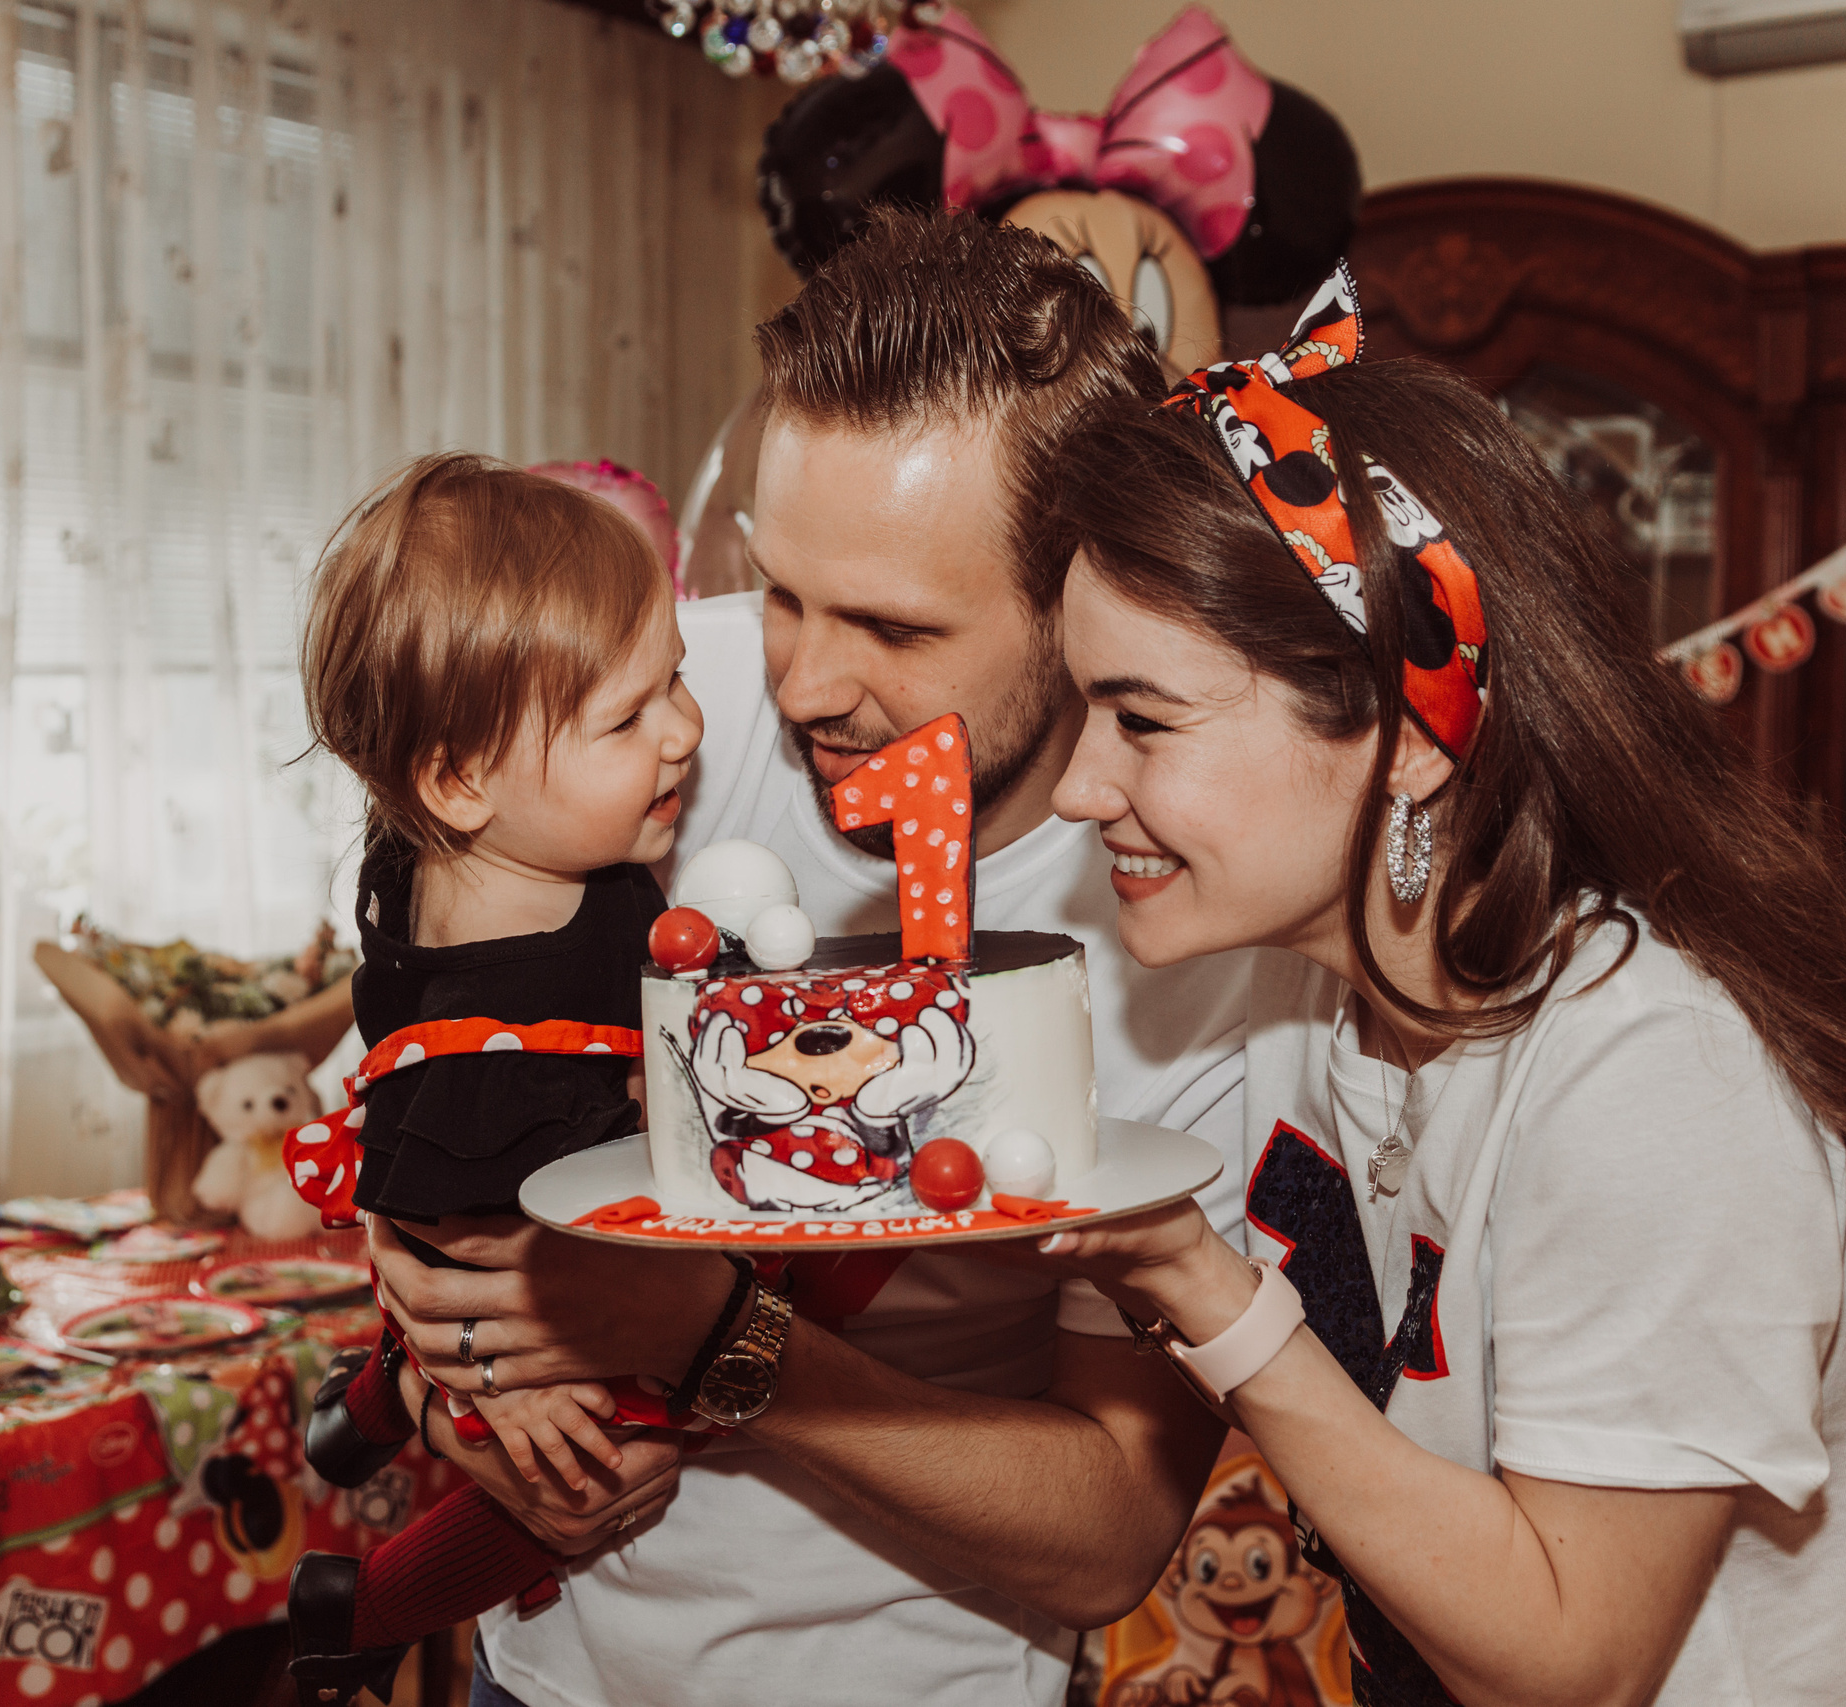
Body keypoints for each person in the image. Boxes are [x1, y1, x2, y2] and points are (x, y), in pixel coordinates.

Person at [1021, 324, 1846, 1705]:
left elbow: (1569, 1664)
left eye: (1142, 719)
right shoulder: (1290, 988)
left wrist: (1208, 1289)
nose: (1077, 788)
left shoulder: (1657, 1076)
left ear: (1409, 733)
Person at [355, 210, 1263, 1707]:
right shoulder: (649, 703)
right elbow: (427, 1078)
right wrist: (460, 1376)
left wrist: (726, 1342)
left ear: (1088, 598)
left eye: (893, 628)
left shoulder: (1205, 925)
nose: (797, 682)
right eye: (781, 590)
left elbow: (1113, 1532)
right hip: (545, 1670)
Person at [269, 452, 710, 1703]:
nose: (683, 729)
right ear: (458, 781)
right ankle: (359, 1612)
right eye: (627, 720)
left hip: (492, 1277)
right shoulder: (492, 1038)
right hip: (521, 1324)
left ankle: (363, 1402)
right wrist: (487, 1390)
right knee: (600, 1471)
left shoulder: (524, 851)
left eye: (675, 678)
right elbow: (449, 1237)